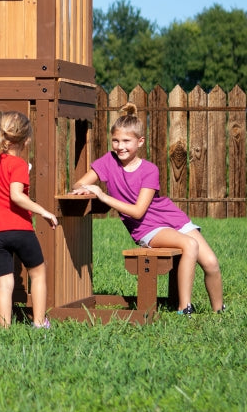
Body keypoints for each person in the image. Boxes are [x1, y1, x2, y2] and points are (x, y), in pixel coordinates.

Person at [71, 101, 224, 315]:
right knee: (190, 245)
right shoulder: (108, 161)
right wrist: (84, 190)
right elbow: (79, 184)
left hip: (172, 218)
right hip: (147, 229)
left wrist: (102, 195)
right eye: (115, 140)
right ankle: (184, 307)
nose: (120, 146)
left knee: (211, 262)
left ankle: (219, 312)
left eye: (126, 141)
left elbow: (137, 210)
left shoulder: (149, 170)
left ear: (140, 142)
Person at [0, 110, 58, 328]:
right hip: (19, 229)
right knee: (38, 273)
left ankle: (5, 329)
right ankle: (39, 323)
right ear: (26, 140)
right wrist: (44, 212)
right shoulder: (18, 165)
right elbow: (16, 196)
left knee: (4, 282)